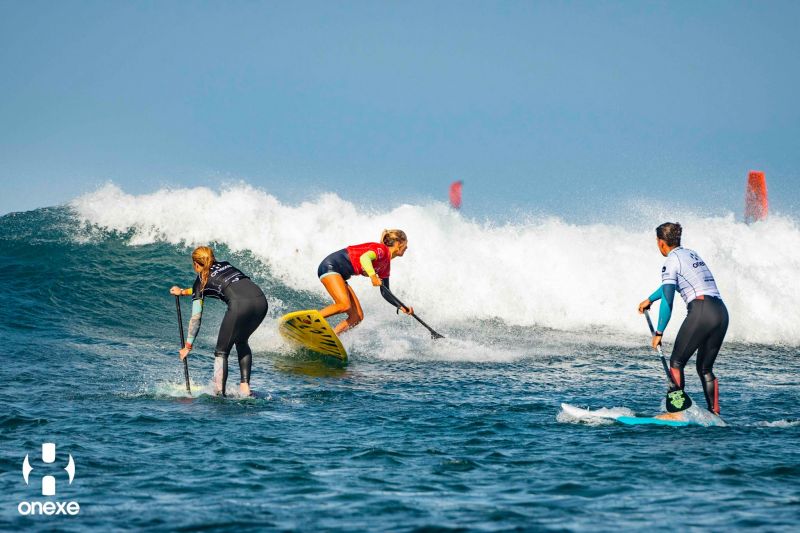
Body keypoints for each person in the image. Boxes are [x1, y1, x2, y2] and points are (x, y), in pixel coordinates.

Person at [638, 222, 728, 414]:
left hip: (701, 311)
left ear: (661, 242)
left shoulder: (671, 261)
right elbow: (669, 286)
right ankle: (715, 415)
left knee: (676, 363)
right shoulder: (690, 254)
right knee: (705, 369)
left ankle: (677, 413)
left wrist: (659, 332)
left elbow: (668, 301)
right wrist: (650, 299)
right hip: (720, 312)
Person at [170, 247, 268, 397]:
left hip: (240, 306)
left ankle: (218, 393)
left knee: (221, 352)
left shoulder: (201, 280)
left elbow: (196, 317)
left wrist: (188, 346)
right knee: (241, 341)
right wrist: (183, 292)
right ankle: (245, 387)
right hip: (261, 301)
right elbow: (211, 287)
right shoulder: (226, 264)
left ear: (196, 264)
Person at [317, 229, 414, 334]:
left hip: (340, 275)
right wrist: (373, 277)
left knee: (357, 317)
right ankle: (309, 319)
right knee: (344, 304)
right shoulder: (381, 250)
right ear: (398, 243)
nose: (407, 247)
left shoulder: (386, 266)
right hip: (331, 267)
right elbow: (365, 258)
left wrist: (401, 306)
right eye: (405, 244)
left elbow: (385, 291)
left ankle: (333, 335)